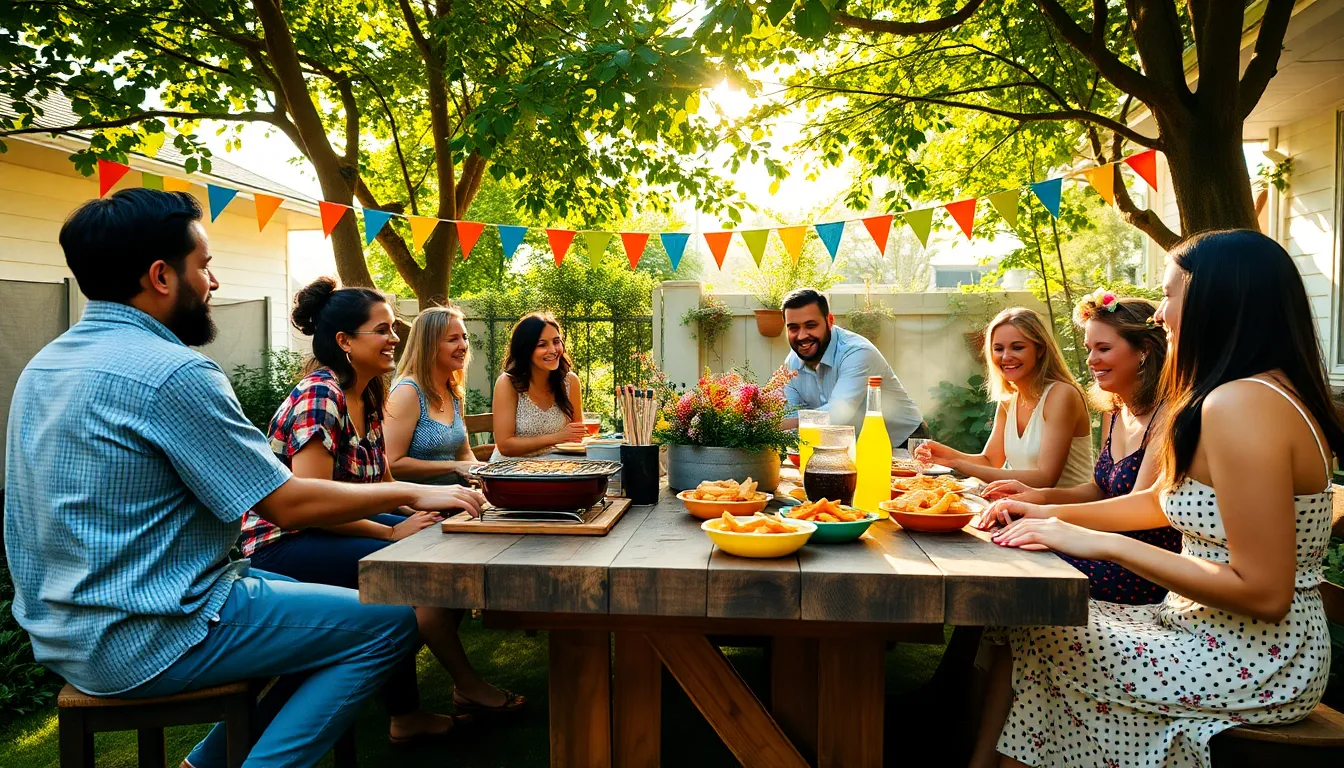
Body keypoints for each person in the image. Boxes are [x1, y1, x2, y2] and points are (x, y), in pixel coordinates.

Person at [3, 189, 486, 768]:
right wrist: (412, 490)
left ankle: (205, 762)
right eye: (203, 266)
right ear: (161, 276)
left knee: (329, 627)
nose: (213, 283)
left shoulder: (44, 366)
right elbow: (284, 504)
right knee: (390, 621)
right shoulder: (175, 373)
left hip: (64, 637)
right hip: (158, 629)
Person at [969, 229, 1340, 768]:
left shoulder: (1242, 405)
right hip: (1200, 630)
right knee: (1033, 625)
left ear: (1216, 300)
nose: (1161, 315)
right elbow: (1158, 503)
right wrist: (1044, 509)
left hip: (1256, 660)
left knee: (1043, 631)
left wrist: (1101, 544)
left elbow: (1264, 593)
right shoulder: (1250, 393)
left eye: (1169, 295)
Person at [239, 279, 524, 736]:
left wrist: (433, 503)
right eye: (382, 329)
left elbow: (382, 480)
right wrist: (390, 532)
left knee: (437, 536)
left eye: (394, 328)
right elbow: (310, 504)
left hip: (329, 525)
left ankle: (406, 710)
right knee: (412, 573)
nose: (395, 338)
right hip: (284, 542)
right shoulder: (321, 396)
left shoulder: (368, 393)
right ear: (345, 342)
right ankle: (438, 696)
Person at [977, 294, 1179, 605]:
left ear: (1143, 352)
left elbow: (1141, 508)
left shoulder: (1167, 415)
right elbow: (1101, 488)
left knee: (1016, 568)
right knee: (1001, 547)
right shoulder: (1114, 408)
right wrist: (1034, 495)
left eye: (1103, 349)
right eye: (1089, 350)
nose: (1091, 360)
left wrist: (1045, 514)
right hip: (1101, 545)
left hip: (1140, 566)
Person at [914, 307, 1093, 487]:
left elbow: (1045, 479)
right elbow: (991, 461)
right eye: (998, 349)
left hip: (1067, 511)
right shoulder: (1009, 400)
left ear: (1040, 350)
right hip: (1024, 507)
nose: (1006, 357)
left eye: (1017, 347)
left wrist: (958, 465)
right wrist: (947, 455)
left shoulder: (1061, 395)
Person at [779, 288, 923, 445]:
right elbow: (789, 416)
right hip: (854, 447)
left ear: (830, 321)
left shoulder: (858, 352)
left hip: (904, 442)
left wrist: (785, 425)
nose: (801, 336)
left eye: (811, 325)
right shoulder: (792, 364)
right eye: (793, 328)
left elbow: (838, 414)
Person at [385, 306, 485, 484]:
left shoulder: (454, 392)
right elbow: (392, 463)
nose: (463, 346)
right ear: (429, 346)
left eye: (464, 337)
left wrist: (484, 474)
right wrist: (453, 466)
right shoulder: (408, 392)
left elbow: (464, 453)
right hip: (417, 505)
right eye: (453, 339)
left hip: (457, 497)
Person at [491, 312, 587, 459]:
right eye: (542, 345)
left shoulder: (570, 382)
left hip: (557, 466)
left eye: (556, 341)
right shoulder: (508, 383)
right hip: (511, 470)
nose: (553, 350)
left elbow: (576, 437)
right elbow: (505, 446)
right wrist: (556, 437)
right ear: (525, 349)